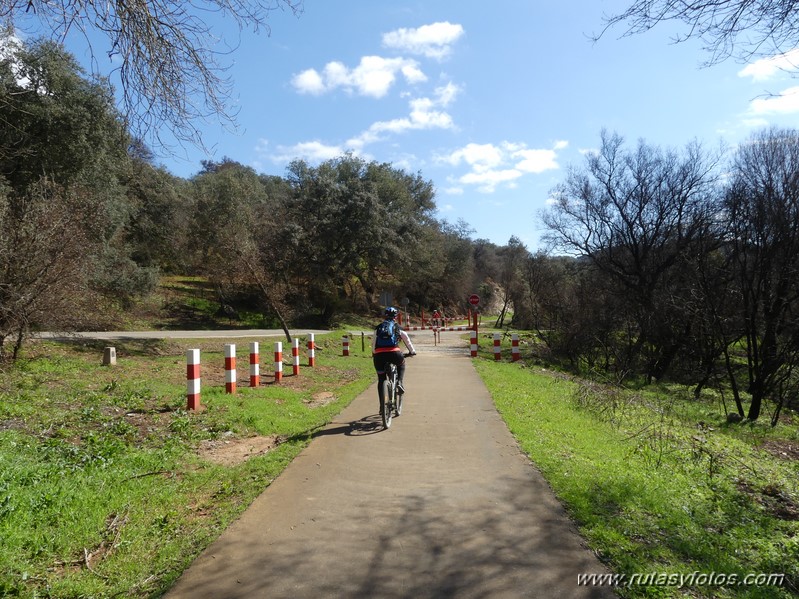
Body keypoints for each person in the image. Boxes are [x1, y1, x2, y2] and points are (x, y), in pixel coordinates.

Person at [372, 307, 416, 405]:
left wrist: (374, 353)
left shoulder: (378, 327)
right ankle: (399, 382)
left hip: (379, 356)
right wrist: (412, 351)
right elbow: (407, 340)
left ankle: (381, 406)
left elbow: (373, 343)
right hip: (394, 353)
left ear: (385, 315)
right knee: (402, 364)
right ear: (395, 317)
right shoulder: (397, 327)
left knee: (381, 379)